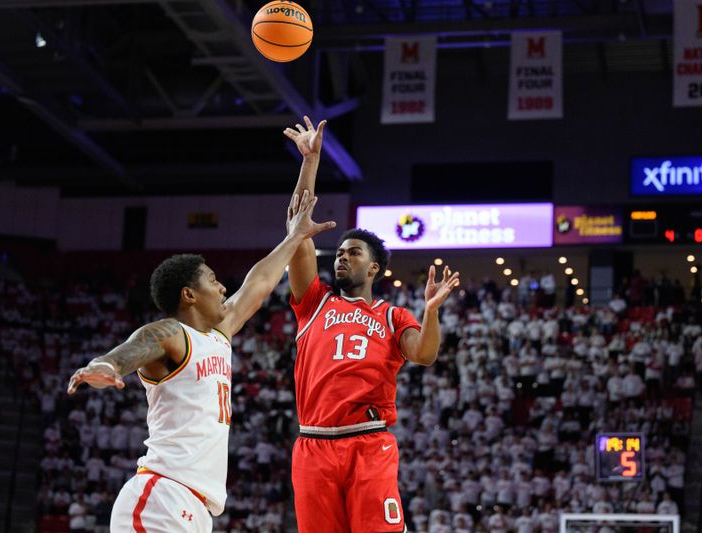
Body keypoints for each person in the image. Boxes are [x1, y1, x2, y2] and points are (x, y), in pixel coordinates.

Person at [66, 192, 335, 532]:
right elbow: (138, 345)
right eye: (212, 280)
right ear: (189, 295)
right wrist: (108, 365)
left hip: (194, 508)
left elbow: (260, 282)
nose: (223, 287)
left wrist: (296, 235)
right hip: (161, 498)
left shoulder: (219, 336)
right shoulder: (172, 333)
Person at [283, 117, 460, 533]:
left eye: (354, 252)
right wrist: (311, 161)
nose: (342, 257)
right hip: (313, 444)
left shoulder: (392, 316)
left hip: (369, 441)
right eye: (340, 252)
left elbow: (425, 355)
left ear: (374, 267)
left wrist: (431, 311)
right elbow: (297, 228)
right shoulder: (314, 302)